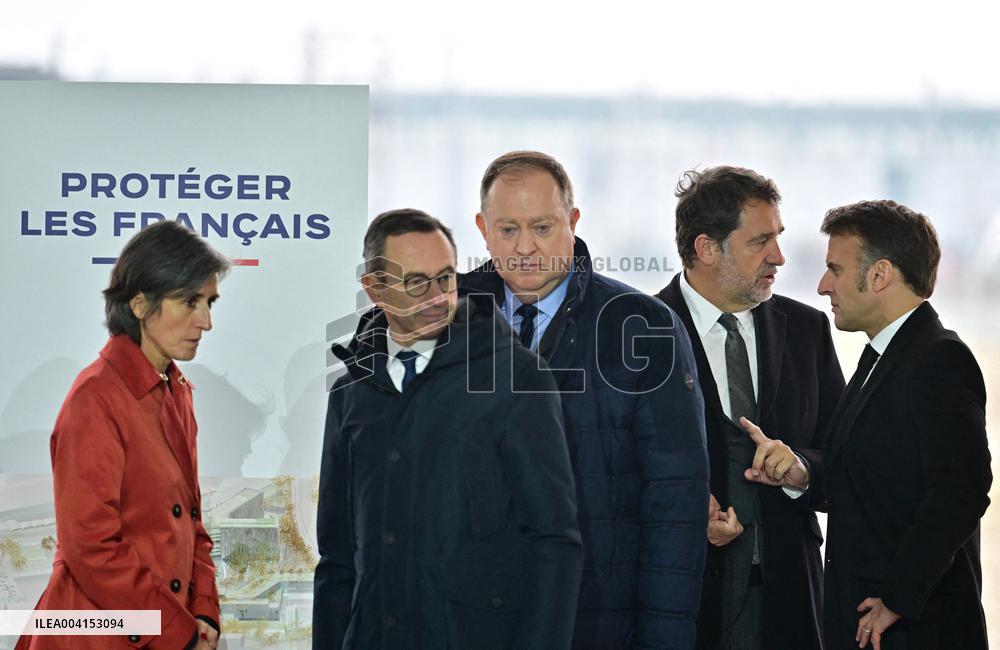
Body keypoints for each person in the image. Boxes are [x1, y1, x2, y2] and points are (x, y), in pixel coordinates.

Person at [461, 151, 710, 649]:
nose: (525, 246)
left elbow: (676, 504)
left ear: (573, 222)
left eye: (543, 227)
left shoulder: (643, 326)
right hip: (472, 618)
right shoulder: (445, 328)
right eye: (507, 230)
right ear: (482, 229)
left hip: (598, 621)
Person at [313, 209, 583, 650]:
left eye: (445, 279)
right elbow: (337, 560)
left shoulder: (517, 377)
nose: (438, 297)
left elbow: (555, 543)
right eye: (417, 282)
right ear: (374, 288)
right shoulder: (350, 393)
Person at [654, 166, 845, 650]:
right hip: (684, 606)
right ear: (706, 248)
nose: (778, 256)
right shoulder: (641, 335)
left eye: (778, 238)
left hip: (791, 605)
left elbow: (846, 460)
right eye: (761, 241)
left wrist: (803, 471)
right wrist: (681, 513)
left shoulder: (806, 331)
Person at [18, 221, 228, 650]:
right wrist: (178, 632)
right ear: (138, 303)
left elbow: (191, 522)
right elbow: (92, 548)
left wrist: (203, 609)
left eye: (209, 302)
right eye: (190, 301)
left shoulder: (176, 389)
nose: (205, 320)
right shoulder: (94, 397)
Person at [814, 200, 990, 650]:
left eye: (834, 269)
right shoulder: (881, 357)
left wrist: (896, 599)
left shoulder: (939, 359)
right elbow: (865, 482)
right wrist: (799, 472)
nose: (822, 286)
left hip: (916, 631)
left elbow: (961, 491)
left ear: (879, 275)